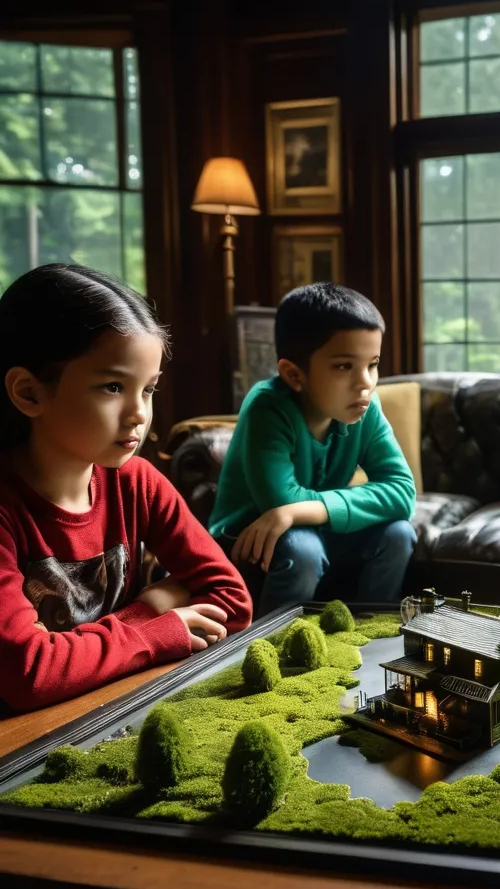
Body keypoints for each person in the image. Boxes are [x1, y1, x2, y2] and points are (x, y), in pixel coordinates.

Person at [0, 264, 252, 715]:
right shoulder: (7, 510)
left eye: (150, 388)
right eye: (114, 386)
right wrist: (157, 619)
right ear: (29, 393)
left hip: (118, 706)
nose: (139, 413)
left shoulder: (137, 482)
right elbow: (28, 674)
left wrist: (127, 623)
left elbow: (232, 600)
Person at [208, 283, 416, 618]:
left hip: (311, 528)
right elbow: (281, 502)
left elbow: (402, 493)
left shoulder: (365, 405)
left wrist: (293, 512)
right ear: (294, 374)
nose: (365, 382)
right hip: (254, 542)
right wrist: (288, 512)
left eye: (372, 364)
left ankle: (366, 631)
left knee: (398, 534)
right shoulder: (267, 407)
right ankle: (272, 648)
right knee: (303, 547)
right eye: (343, 366)